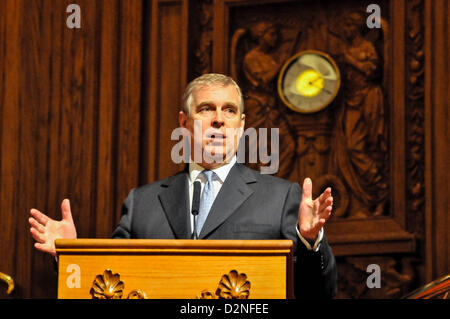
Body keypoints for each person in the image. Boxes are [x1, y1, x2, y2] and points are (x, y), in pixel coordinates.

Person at [29, 73, 337, 298]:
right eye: (206, 109)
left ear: (242, 125)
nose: (219, 119)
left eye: (229, 110)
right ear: (183, 123)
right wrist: (69, 255)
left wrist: (311, 242)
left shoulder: (281, 197)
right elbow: (111, 283)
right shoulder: (142, 203)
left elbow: (319, 293)